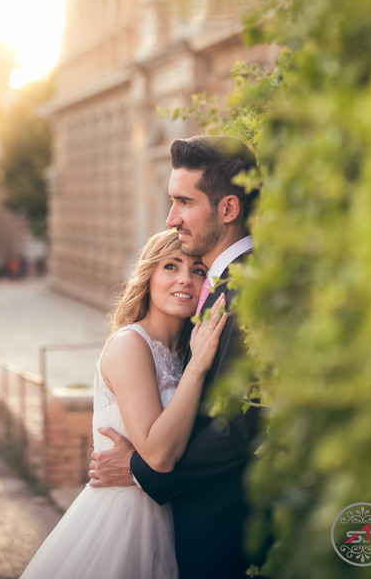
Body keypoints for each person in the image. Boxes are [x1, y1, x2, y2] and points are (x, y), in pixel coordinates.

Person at [89, 135, 265, 579]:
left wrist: (139, 468)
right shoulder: (219, 293)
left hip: (223, 533)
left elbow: (242, 423)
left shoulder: (247, 293)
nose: (171, 218)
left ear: (227, 210)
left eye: (184, 202)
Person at [19, 229, 227, 579]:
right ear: (148, 276)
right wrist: (197, 369)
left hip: (173, 517)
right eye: (171, 266)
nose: (185, 280)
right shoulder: (131, 344)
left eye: (198, 270)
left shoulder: (184, 352)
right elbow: (159, 455)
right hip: (124, 522)